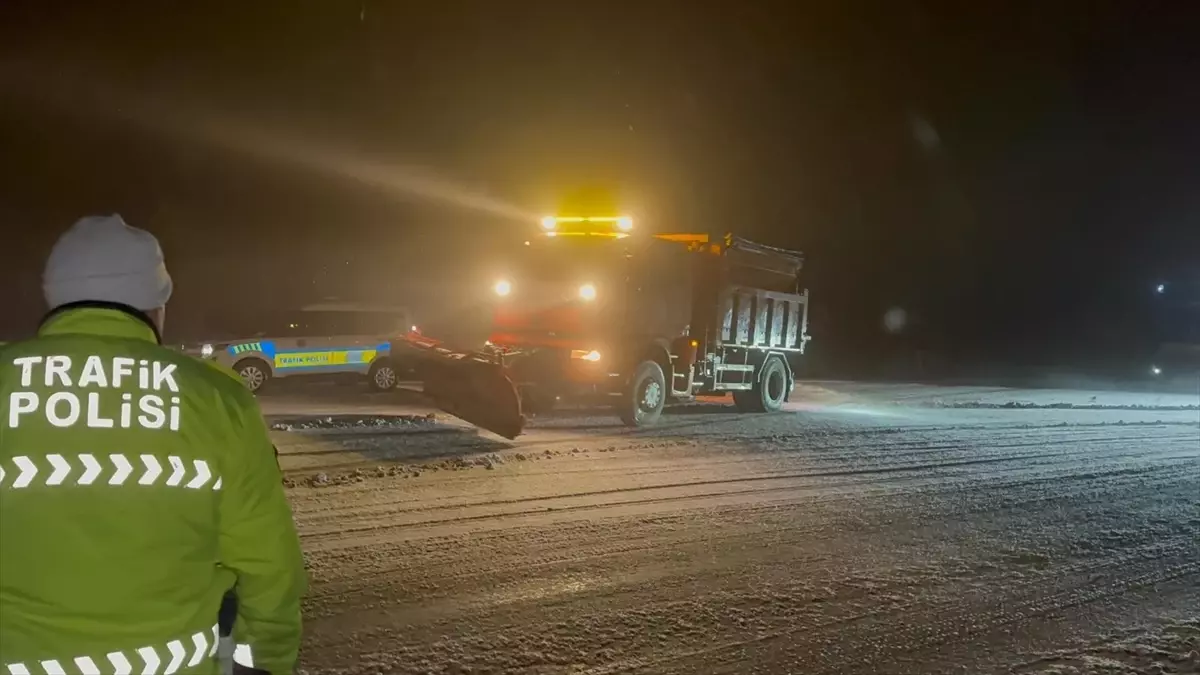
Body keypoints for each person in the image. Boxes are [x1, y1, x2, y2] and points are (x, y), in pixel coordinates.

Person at [0, 215, 306, 674]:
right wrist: (265, 661)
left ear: (54, 296)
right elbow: (269, 565)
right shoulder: (219, 400)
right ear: (155, 305)